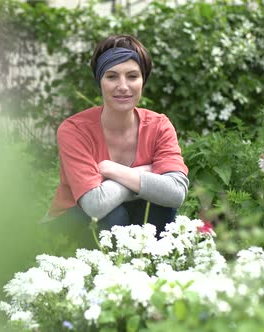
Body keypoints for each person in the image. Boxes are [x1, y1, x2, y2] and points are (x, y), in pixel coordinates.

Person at [44, 34, 189, 246]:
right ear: (99, 81)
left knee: (161, 205)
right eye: (111, 77)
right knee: (113, 214)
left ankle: (149, 269)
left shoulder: (159, 125)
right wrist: (147, 172)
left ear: (143, 81)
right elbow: (95, 205)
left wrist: (113, 170)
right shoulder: (75, 130)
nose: (122, 86)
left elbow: (176, 193)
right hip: (69, 225)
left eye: (132, 76)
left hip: (127, 218)